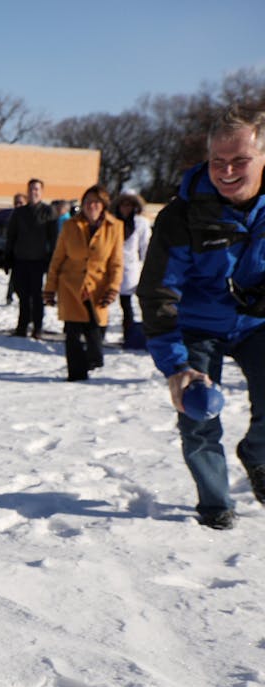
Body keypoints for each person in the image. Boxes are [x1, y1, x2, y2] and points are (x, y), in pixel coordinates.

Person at [139, 105, 265, 531]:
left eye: (240, 161)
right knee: (198, 408)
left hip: (256, 325)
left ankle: (258, 453)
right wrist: (176, 366)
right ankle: (215, 502)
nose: (227, 170)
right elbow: (158, 292)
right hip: (197, 325)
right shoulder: (181, 216)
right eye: (218, 161)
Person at [45, 185, 123, 382]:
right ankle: (76, 375)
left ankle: (91, 362)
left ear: (104, 205)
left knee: (95, 336)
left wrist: (113, 288)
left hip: (98, 288)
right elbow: (58, 258)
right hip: (71, 286)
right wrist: (49, 288)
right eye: (88, 202)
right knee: (73, 334)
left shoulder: (115, 227)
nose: (92, 206)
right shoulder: (71, 225)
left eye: (96, 202)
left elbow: (116, 263)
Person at [6, 178, 59, 338]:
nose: (33, 192)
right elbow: (11, 236)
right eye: (31, 189)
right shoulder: (19, 212)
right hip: (21, 260)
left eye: (36, 189)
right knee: (22, 294)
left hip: (39, 260)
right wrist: (8, 258)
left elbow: (54, 238)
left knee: (36, 295)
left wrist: (52, 261)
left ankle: (37, 327)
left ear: (41, 192)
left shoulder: (48, 212)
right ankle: (22, 326)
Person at [114, 192, 152, 349]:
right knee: (117, 303)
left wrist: (147, 266)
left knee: (132, 303)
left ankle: (134, 335)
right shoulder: (114, 221)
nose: (126, 208)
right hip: (113, 266)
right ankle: (121, 333)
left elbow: (145, 245)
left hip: (131, 267)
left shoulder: (141, 222)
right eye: (123, 205)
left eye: (129, 205)